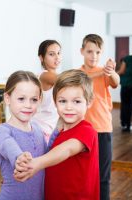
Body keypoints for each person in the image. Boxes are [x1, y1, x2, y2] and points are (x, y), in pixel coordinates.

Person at [14, 69, 99, 200]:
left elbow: (67, 149)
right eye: (63, 101)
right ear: (55, 102)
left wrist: (36, 164)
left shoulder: (87, 130)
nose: (69, 107)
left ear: (89, 102)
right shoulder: (58, 132)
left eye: (76, 101)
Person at [0, 70, 47, 200]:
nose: (28, 105)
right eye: (21, 99)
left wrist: (59, 129)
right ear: (7, 98)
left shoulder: (38, 129)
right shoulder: (1, 131)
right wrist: (19, 156)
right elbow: (7, 144)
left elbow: (47, 154)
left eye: (33, 100)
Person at [79, 34, 119, 200]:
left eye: (97, 52)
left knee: (103, 176)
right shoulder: (78, 73)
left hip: (103, 128)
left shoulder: (105, 73)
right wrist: (102, 71)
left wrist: (111, 72)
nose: (93, 56)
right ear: (82, 51)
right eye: (89, 51)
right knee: (83, 175)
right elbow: (82, 79)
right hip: (82, 130)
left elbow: (116, 82)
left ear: (101, 53)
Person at [32, 40, 61, 143]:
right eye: (51, 54)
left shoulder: (55, 76)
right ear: (41, 57)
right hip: (39, 131)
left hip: (47, 131)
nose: (57, 57)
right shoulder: (45, 75)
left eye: (58, 53)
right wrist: (100, 72)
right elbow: (68, 80)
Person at [117, 40, 132, 133]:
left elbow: (122, 71)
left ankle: (126, 126)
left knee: (126, 106)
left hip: (126, 86)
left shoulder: (127, 58)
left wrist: (114, 74)